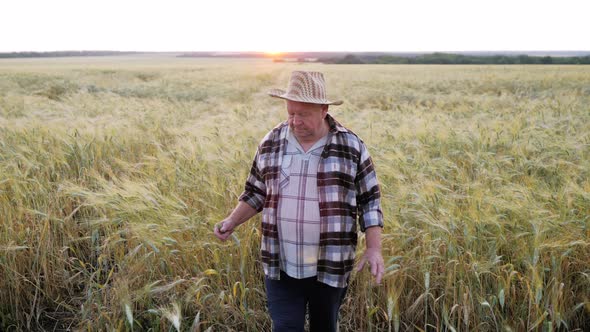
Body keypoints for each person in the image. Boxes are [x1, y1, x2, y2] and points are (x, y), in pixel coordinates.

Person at [213, 70, 384, 332]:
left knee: (324, 327)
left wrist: (373, 249)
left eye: (303, 114)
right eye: (290, 113)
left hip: (331, 263)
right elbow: (256, 192)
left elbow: (370, 200)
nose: (295, 121)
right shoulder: (271, 142)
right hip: (280, 261)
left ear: (324, 110)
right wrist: (231, 221)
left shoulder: (351, 146)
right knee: (285, 327)